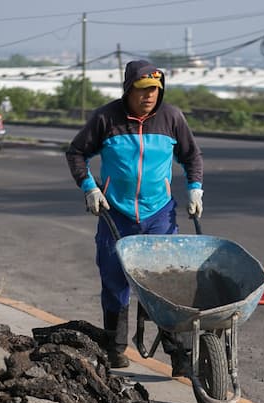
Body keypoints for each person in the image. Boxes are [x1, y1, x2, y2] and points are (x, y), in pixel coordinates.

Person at [65, 59, 204, 375]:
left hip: (159, 215)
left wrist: (195, 188)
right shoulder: (105, 118)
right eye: (142, 90)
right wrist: (89, 187)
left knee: (166, 286)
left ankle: (181, 358)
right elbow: (76, 153)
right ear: (128, 89)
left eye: (155, 89)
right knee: (115, 283)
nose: (149, 96)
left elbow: (191, 155)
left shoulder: (172, 118)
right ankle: (114, 350)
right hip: (117, 214)